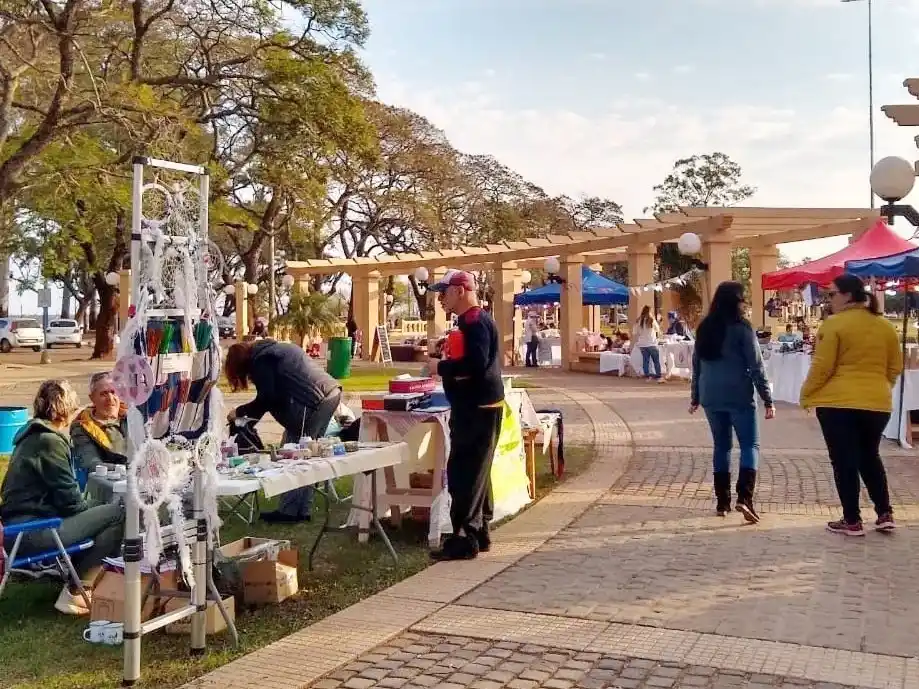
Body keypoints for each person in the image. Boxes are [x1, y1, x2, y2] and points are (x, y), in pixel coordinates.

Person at [0, 380, 124, 615]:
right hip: (32, 531)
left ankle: (79, 579)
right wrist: (97, 505)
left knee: (105, 511)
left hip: (17, 528)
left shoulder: (32, 435)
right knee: (118, 513)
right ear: (65, 408)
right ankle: (76, 590)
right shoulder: (49, 441)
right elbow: (72, 504)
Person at [800, 274, 902, 537]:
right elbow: (894, 367)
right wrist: (879, 388)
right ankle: (884, 513)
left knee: (844, 460)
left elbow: (822, 367)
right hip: (877, 403)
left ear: (847, 295)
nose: (829, 299)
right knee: (870, 456)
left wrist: (806, 394)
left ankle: (852, 520)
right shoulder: (885, 326)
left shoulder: (834, 324)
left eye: (832, 294)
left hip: (838, 403)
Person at [427, 270, 504, 561]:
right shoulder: (470, 321)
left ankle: (464, 537)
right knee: (476, 471)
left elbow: (476, 364)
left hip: (477, 407)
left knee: (464, 473)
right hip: (476, 406)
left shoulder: (475, 321)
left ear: (460, 291)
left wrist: (440, 367)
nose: (440, 298)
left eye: (444, 292)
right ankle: (479, 532)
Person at [225, 339, 342, 523]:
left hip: (313, 400)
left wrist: (239, 413)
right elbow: (270, 398)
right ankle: (301, 510)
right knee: (307, 454)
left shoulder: (262, 361)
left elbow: (267, 398)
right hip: (329, 392)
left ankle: (290, 512)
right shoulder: (273, 350)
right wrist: (248, 417)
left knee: (293, 454)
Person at [690, 282, 775, 523]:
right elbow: (756, 366)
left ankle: (722, 502)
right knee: (750, 445)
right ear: (737, 302)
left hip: (710, 394)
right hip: (738, 394)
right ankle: (745, 498)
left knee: (721, 446)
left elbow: (696, 365)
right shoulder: (741, 328)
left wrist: (695, 397)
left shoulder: (705, 327)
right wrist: (767, 399)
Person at [71, 372, 128, 472]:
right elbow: (91, 464)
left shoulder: (132, 417)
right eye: (103, 394)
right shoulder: (81, 428)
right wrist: (131, 469)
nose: (110, 398)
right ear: (92, 398)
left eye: (113, 392)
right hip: (111, 479)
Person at [635, 305, 663, 381]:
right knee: (656, 360)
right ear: (650, 312)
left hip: (642, 344)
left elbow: (634, 332)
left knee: (645, 360)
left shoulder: (639, 320)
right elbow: (657, 329)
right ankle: (658, 375)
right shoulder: (651, 320)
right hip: (651, 343)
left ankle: (647, 375)